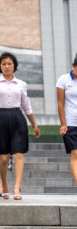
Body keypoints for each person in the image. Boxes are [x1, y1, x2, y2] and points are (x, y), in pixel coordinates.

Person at [0, 52, 41, 200]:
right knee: (3, 158)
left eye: (9, 64)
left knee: (18, 154)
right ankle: (4, 184)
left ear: (14, 66)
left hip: (17, 118)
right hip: (0, 119)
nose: (7, 66)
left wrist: (34, 124)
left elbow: (26, 105)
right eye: (3, 64)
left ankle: (17, 187)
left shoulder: (21, 84)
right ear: (0, 67)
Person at [57, 54, 77, 190]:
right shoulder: (63, 80)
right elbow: (60, 103)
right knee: (75, 154)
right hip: (71, 122)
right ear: (73, 66)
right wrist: (63, 123)